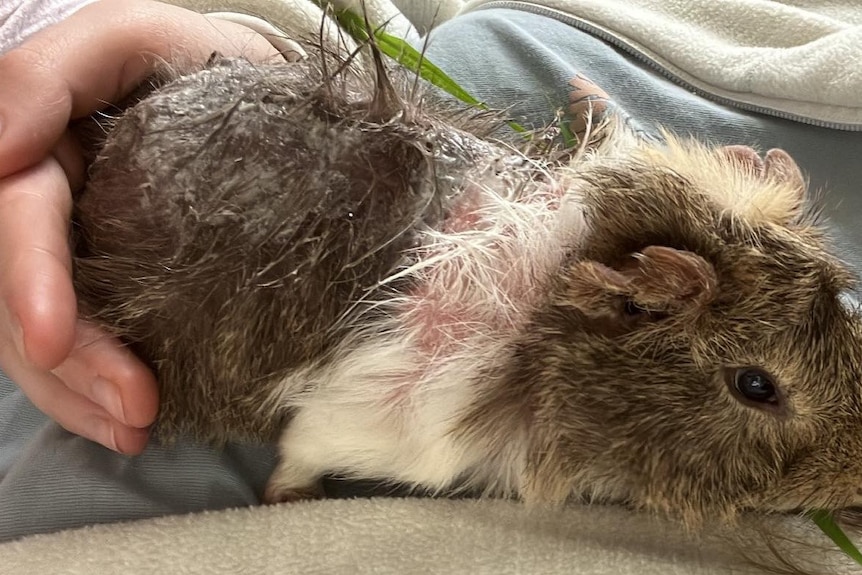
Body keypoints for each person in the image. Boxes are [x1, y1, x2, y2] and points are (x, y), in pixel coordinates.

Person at [0, 0, 860, 542]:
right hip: (111, 293)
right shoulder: (460, 405)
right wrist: (227, 33)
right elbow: (392, 35)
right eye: (754, 385)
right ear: (630, 303)